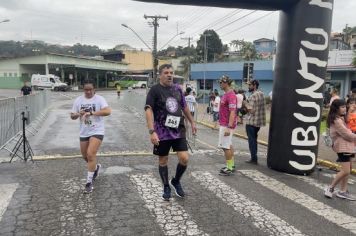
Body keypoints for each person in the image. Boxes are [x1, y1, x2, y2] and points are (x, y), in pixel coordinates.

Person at [144, 64, 197, 201]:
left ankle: (176, 180)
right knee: (163, 160)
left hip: (178, 130)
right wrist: (152, 131)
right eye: (166, 72)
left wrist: (192, 122)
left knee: (184, 158)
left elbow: (184, 107)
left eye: (171, 73)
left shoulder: (178, 89)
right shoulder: (154, 90)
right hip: (162, 132)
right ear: (160, 75)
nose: (169, 75)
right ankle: (166, 186)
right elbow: (148, 110)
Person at [70, 79, 112, 194]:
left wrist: (92, 113)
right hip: (84, 131)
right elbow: (72, 116)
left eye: (90, 90)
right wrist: (79, 113)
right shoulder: (78, 100)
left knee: (90, 154)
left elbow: (108, 111)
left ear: (94, 90)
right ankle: (96, 168)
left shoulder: (99, 99)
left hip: (97, 130)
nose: (88, 92)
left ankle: (89, 183)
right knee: (85, 156)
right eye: (86, 90)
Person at [324, 99, 356, 200]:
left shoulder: (340, 118)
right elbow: (346, 134)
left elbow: (347, 124)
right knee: (345, 171)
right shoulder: (336, 120)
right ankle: (330, 188)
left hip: (347, 146)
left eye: (344, 107)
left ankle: (343, 191)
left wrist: (349, 110)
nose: (344, 109)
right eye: (342, 107)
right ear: (336, 108)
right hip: (343, 147)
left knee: (348, 170)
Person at [218, 75, 237, 176]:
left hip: (227, 125)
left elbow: (233, 111)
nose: (220, 84)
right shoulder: (226, 94)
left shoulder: (231, 95)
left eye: (221, 82)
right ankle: (231, 165)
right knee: (228, 144)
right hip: (224, 123)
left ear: (226, 83)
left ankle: (229, 168)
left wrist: (229, 127)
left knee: (225, 147)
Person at [245, 80, 266, 164]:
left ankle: (254, 158)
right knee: (254, 140)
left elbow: (251, 110)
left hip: (251, 121)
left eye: (249, 85)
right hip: (258, 122)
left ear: (254, 85)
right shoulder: (262, 94)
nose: (248, 87)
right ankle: (254, 157)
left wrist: (245, 103)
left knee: (251, 141)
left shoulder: (253, 96)